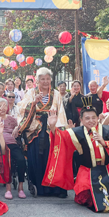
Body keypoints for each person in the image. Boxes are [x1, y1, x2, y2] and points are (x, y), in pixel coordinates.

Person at [43, 100, 109, 212]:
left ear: (98, 118)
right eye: (87, 118)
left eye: (93, 117)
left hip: (108, 168)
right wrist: (53, 127)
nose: (91, 121)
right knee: (84, 197)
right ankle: (107, 199)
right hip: (87, 170)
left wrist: (104, 143)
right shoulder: (76, 132)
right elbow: (61, 138)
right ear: (81, 120)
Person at [16, 67, 68, 198]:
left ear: (51, 79)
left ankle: (54, 188)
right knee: (37, 158)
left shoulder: (55, 94)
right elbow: (21, 108)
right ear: (37, 80)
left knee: (52, 157)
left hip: (51, 127)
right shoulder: (31, 92)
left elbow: (61, 111)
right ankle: (40, 187)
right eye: (42, 79)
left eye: (47, 79)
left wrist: (58, 128)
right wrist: (33, 103)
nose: (45, 81)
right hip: (35, 129)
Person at [0, 98, 24, 200]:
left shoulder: (12, 119)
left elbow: (21, 126)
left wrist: (17, 128)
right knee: (8, 161)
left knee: (21, 160)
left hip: (12, 143)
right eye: (0, 106)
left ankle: (21, 188)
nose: (2, 108)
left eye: (4, 105)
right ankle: (8, 188)